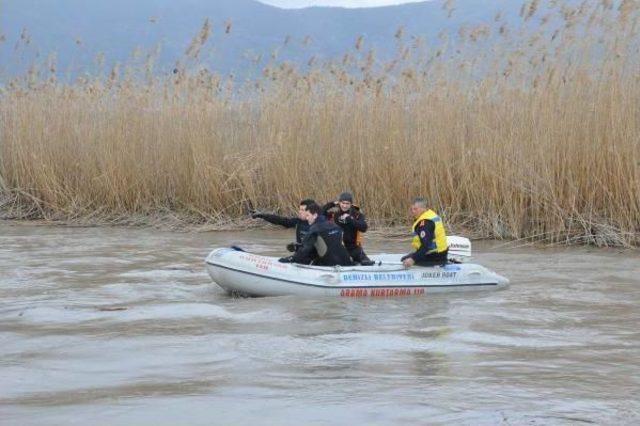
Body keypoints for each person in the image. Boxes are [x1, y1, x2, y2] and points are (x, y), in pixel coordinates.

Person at [279, 203, 353, 266]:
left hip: (330, 266)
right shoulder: (335, 226)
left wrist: (291, 259)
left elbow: (304, 250)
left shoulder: (314, 229)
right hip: (347, 262)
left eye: (308, 215)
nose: (307, 218)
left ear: (314, 215)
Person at [321, 192, 374, 265]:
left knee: (366, 263)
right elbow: (320, 212)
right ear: (339, 203)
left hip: (354, 248)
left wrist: (350, 219)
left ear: (351, 204)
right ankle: (350, 262)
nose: (345, 206)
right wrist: (332, 203)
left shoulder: (357, 214)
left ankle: (355, 261)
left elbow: (364, 228)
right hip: (338, 248)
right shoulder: (334, 214)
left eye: (347, 203)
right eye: (343, 203)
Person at [401, 197, 448, 268]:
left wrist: (412, 259)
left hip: (435, 257)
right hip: (441, 253)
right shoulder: (430, 214)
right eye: (412, 209)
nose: (413, 211)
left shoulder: (425, 223)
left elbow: (426, 245)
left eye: (415, 209)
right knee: (405, 258)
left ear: (423, 208)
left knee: (404, 260)